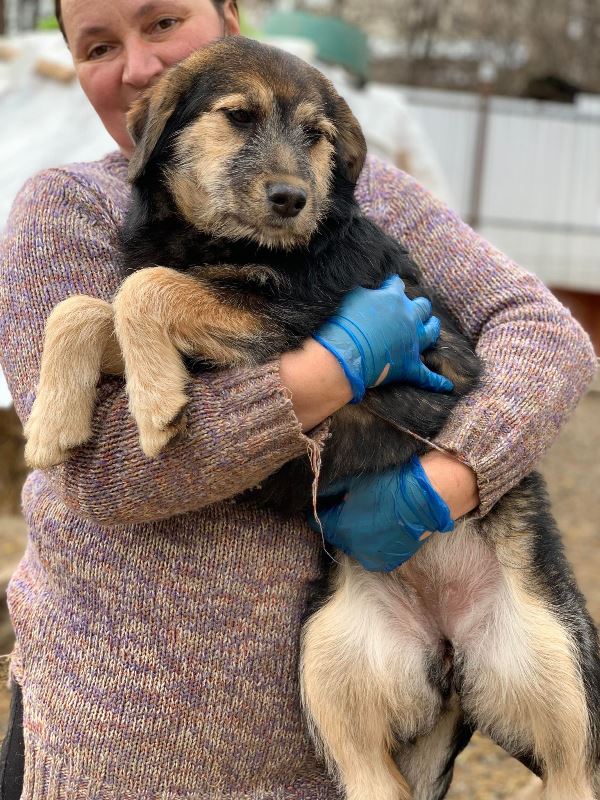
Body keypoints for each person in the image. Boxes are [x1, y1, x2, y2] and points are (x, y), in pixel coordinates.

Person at [0, 0, 596, 797]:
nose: (138, 66)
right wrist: (325, 374)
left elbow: (547, 336)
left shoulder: (342, 183)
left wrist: (449, 483)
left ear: (232, 20)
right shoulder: (63, 210)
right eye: (98, 45)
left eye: (163, 23)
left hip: (328, 740)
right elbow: (105, 479)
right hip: (114, 750)